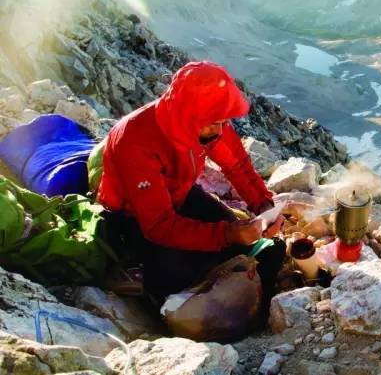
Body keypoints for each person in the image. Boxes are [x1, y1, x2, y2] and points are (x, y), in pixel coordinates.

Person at [97, 61, 286, 300]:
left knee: (260, 250)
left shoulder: (207, 123)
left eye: (223, 121)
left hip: (180, 195)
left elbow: (237, 164)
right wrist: (227, 234)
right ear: (187, 116)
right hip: (132, 218)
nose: (220, 130)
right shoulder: (134, 140)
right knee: (178, 276)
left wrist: (264, 206)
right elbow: (158, 225)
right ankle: (133, 272)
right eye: (214, 122)